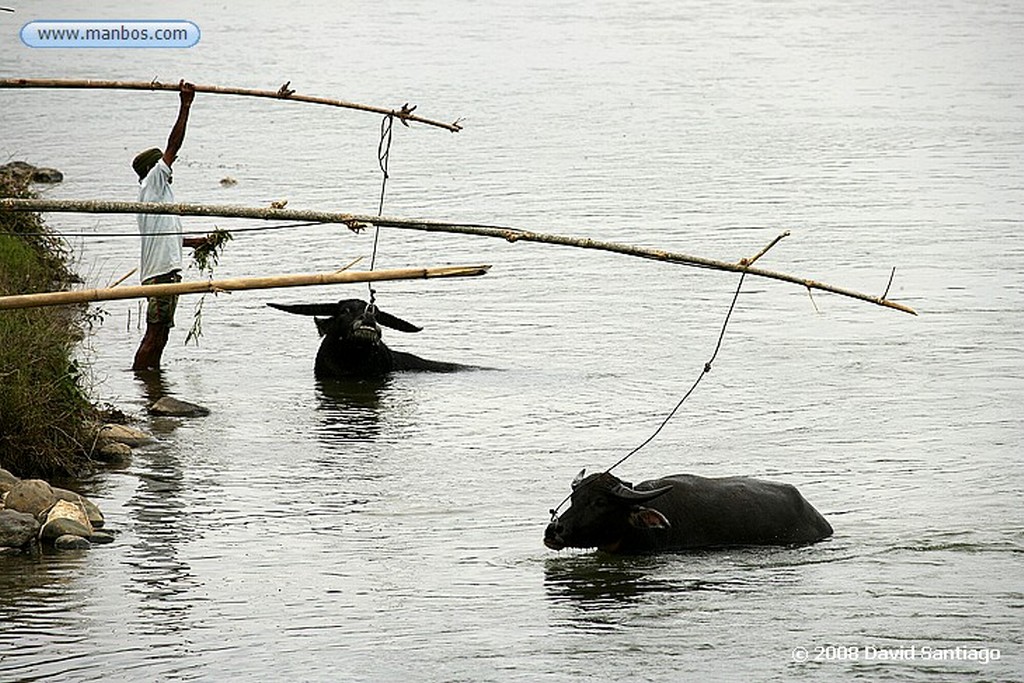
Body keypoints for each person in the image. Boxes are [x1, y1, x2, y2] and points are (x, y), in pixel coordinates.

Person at [131, 79, 208, 371]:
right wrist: (185, 105)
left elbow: (167, 236)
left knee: (161, 332)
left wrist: (195, 242)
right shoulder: (153, 182)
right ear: (156, 168)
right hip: (161, 275)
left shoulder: (156, 196)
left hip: (165, 272)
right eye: (166, 164)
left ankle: (152, 380)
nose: (171, 167)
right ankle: (141, 378)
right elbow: (174, 144)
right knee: (154, 333)